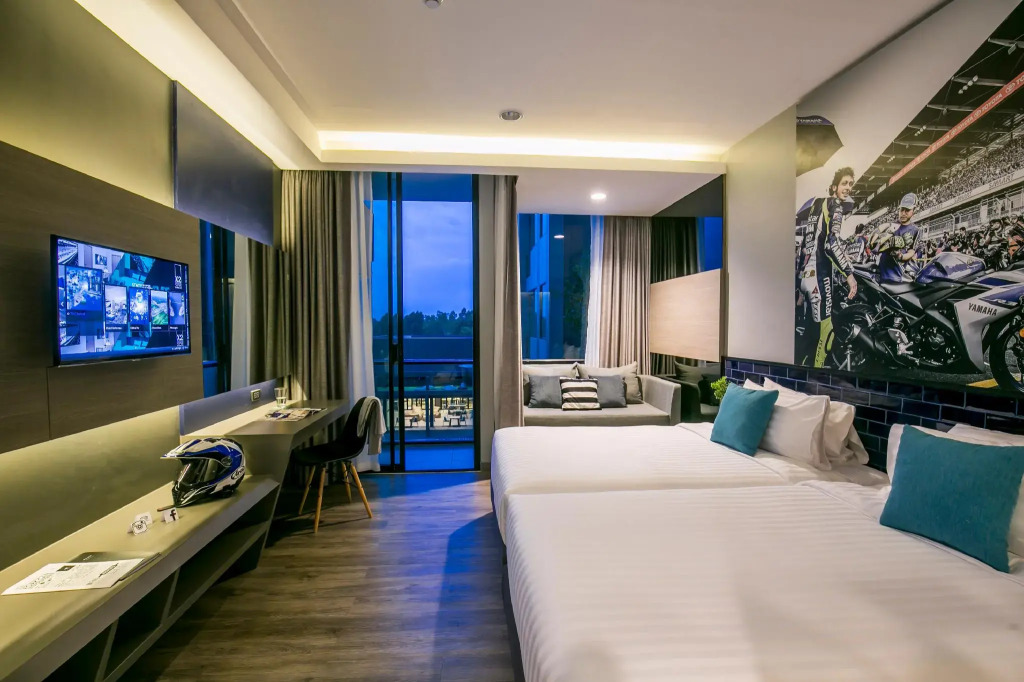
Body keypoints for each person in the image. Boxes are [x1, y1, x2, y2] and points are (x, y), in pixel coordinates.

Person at [796, 166, 858, 367]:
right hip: (820, 278)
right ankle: (817, 374)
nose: (848, 187)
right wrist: (849, 274)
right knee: (826, 331)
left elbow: (806, 247)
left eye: (850, 184)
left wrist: (799, 287)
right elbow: (831, 244)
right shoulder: (836, 205)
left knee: (809, 331)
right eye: (844, 183)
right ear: (834, 187)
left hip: (806, 279)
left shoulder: (815, 205)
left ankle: (800, 371)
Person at [877, 193, 920, 284]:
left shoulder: (916, 230)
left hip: (897, 275)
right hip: (881, 272)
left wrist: (900, 256)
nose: (903, 213)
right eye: (901, 210)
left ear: (914, 210)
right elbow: (875, 247)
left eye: (907, 210)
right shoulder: (890, 226)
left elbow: (911, 251)